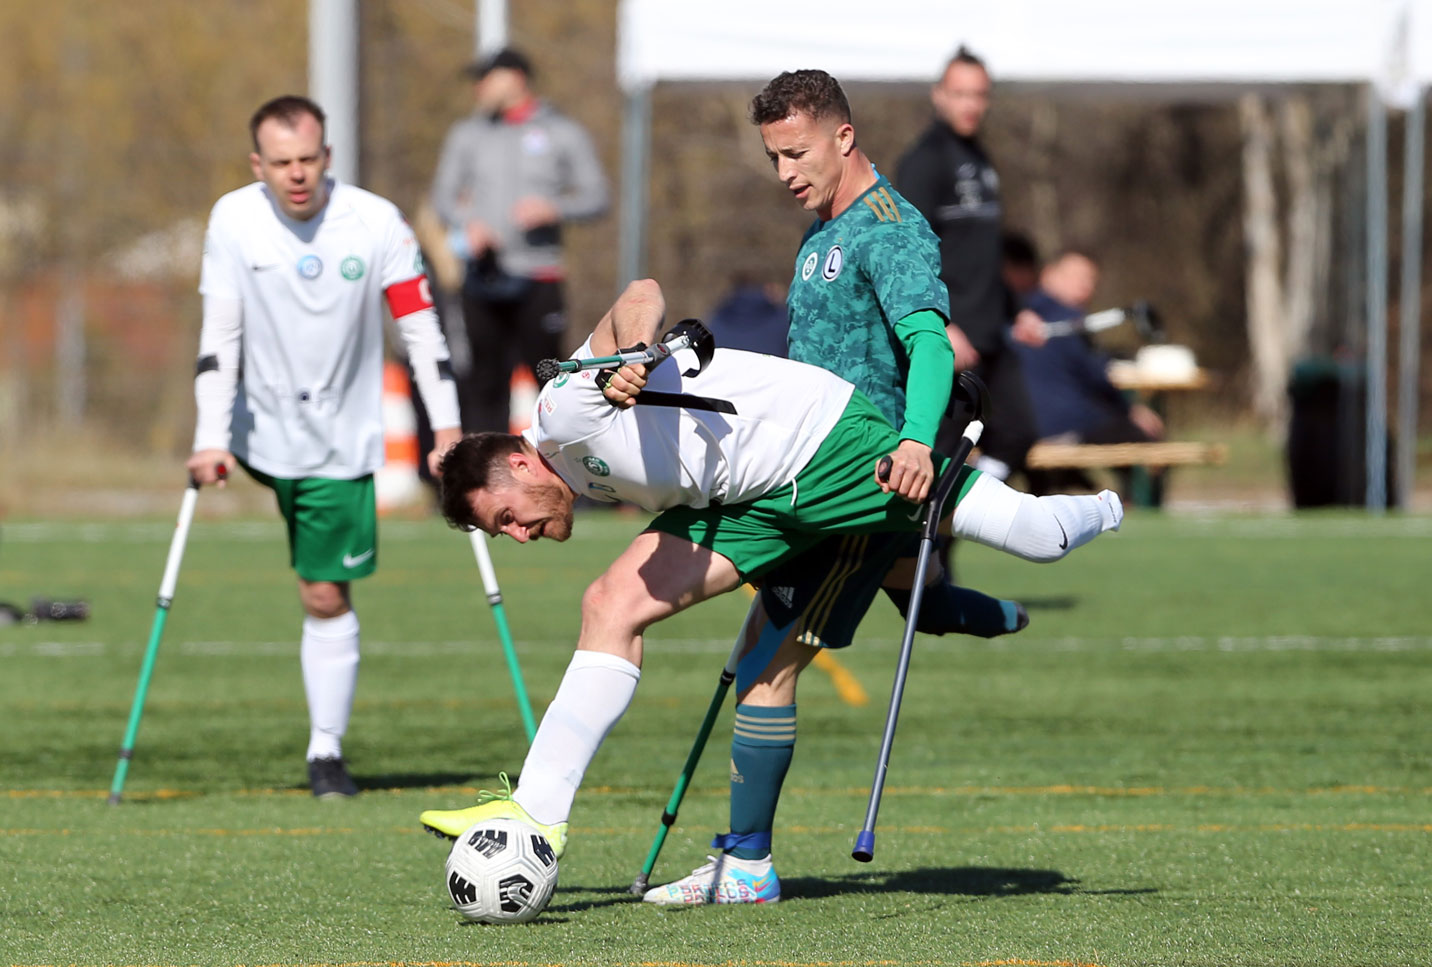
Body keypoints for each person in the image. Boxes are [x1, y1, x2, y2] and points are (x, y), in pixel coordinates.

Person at [416, 279, 1123, 879]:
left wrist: (632, 356)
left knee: (1039, 535)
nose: (516, 535)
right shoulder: (564, 465)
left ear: (519, 463)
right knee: (608, 602)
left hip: (823, 447)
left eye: (506, 517)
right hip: (743, 502)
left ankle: (1106, 507)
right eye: (500, 532)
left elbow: (640, 293)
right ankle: (538, 816)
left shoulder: (562, 410)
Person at [627, 69, 1035, 905]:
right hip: (800, 476)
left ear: (844, 136)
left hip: (862, 489)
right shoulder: (820, 232)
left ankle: (747, 867)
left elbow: (931, 347)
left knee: (768, 666)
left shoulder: (891, 230)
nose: (785, 173)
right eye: (773, 156)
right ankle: (948, 606)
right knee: (756, 658)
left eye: (797, 152)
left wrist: (919, 439)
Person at [187, 96, 462, 799]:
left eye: (308, 159)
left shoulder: (376, 223)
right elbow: (219, 336)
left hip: (339, 439)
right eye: (281, 163)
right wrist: (210, 439)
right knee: (317, 584)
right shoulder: (233, 218)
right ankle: (325, 748)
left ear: (327, 156)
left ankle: (325, 751)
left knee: (322, 591)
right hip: (255, 431)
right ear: (259, 165)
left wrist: (447, 430)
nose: (297, 174)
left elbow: (423, 332)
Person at [430, 46, 609, 434]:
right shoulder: (468, 134)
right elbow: (442, 198)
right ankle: (483, 485)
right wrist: (469, 224)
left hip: (539, 276)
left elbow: (597, 197)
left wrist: (554, 208)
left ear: (515, 78)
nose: (478, 87)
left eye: (486, 78)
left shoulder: (563, 131)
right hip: (481, 278)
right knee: (484, 383)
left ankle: (564, 479)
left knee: (553, 378)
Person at [896, 47, 1038, 487]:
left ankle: (966, 506)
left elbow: (985, 253)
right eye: (960, 93)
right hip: (952, 343)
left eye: (979, 94)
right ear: (939, 96)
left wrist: (1018, 311)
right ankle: (933, 549)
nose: (970, 104)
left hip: (993, 335)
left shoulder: (982, 159)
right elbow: (909, 253)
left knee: (1018, 432)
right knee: (938, 457)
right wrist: (943, 326)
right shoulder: (923, 161)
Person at [1012, 251, 1165, 495]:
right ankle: (1138, 500)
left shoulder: (1014, 312)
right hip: (1063, 425)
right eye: (1076, 277)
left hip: (1019, 425)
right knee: (1145, 434)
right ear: (1049, 275)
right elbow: (1098, 378)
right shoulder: (1071, 321)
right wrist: (1130, 411)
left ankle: (1070, 482)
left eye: (1090, 279)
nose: (1085, 285)